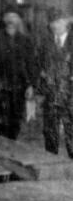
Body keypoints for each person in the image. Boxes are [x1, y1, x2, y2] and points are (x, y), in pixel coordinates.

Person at [0, 8, 36, 140]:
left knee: (15, 123)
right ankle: (0, 154)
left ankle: (11, 152)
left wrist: (31, 85)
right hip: (1, 89)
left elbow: (31, 64)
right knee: (0, 124)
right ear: (4, 19)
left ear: (19, 20)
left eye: (14, 17)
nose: (11, 20)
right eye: (8, 16)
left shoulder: (25, 41)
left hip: (19, 89)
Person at [37, 9, 73, 156]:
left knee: (71, 129)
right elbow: (37, 64)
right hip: (51, 94)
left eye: (58, 22)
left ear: (66, 22)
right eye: (52, 23)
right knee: (50, 130)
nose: (55, 26)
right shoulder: (45, 42)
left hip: (70, 94)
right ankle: (51, 162)